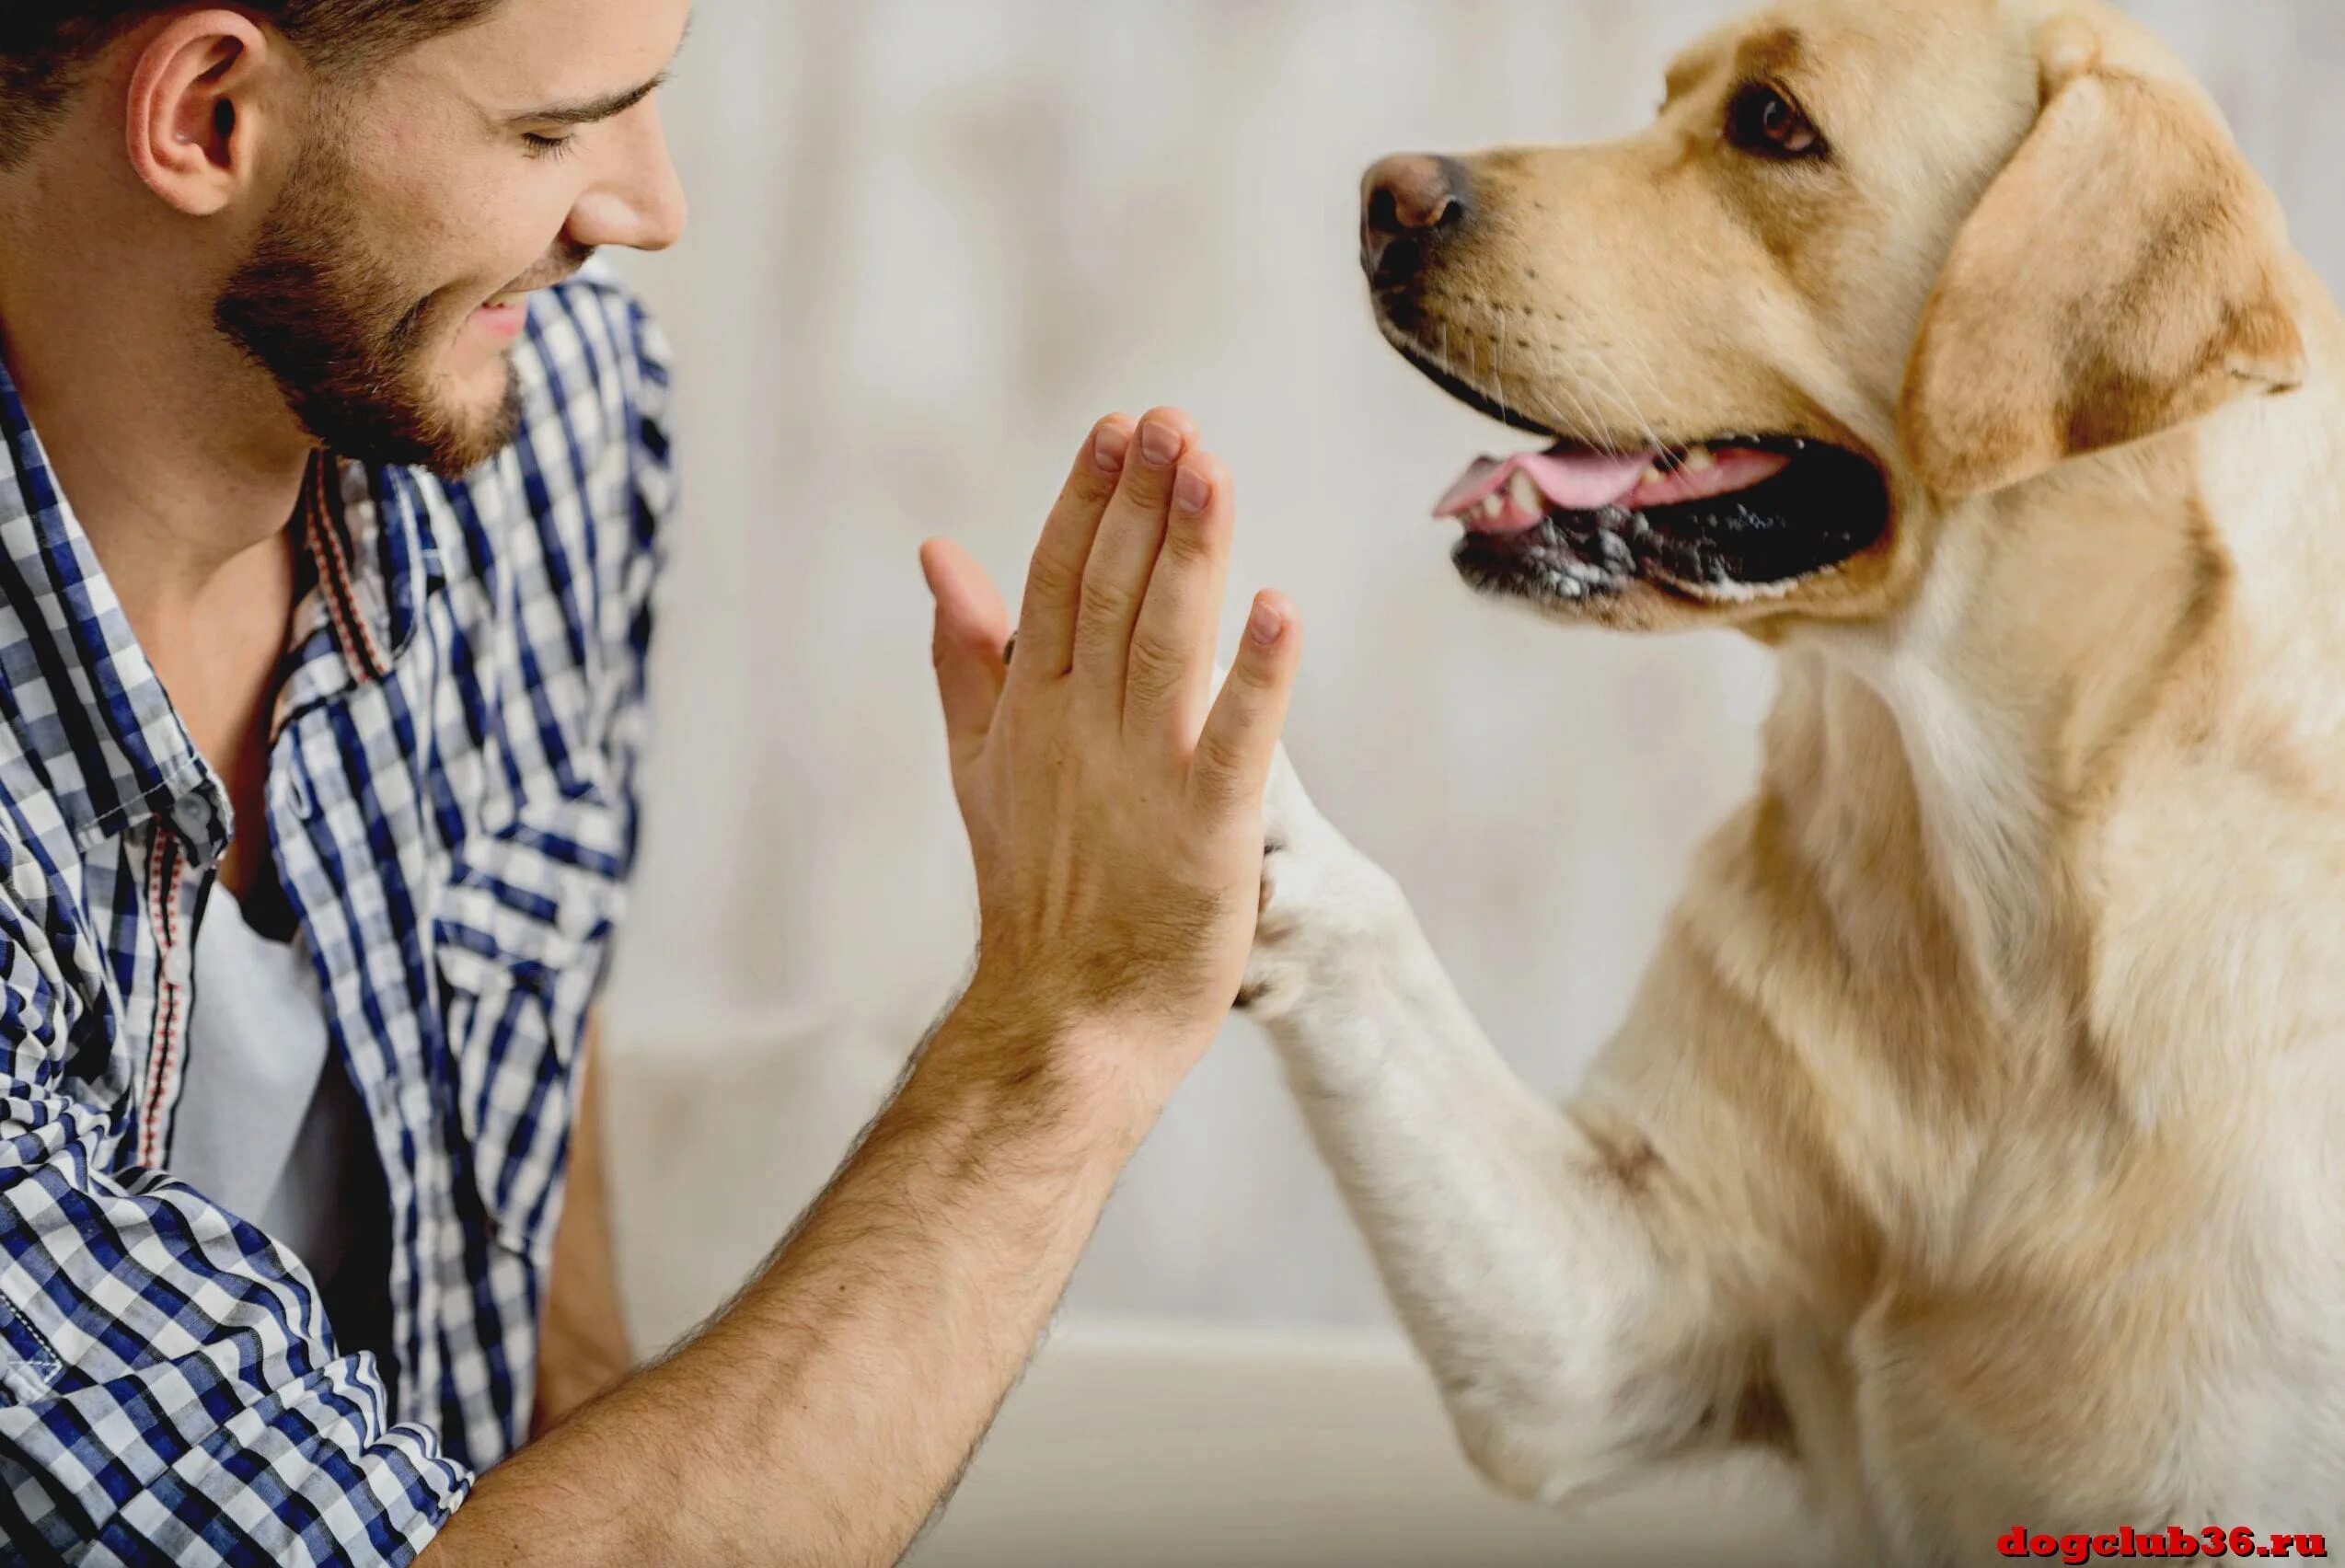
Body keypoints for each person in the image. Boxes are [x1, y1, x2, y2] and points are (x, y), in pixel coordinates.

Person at [0, 3, 1301, 1562]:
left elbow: (526, 1108)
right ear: (208, 116)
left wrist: (589, 1409)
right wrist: (1071, 1034)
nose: (647, 210)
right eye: (547, 134)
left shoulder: (534, 414)